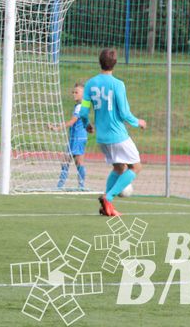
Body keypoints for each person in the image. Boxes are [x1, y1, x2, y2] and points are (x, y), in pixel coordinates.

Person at [79, 48, 147, 217]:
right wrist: (138, 122)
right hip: (117, 135)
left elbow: (83, 111)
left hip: (102, 137)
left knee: (119, 167)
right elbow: (124, 113)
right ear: (115, 63)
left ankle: (105, 205)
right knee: (136, 167)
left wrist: (86, 124)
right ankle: (108, 197)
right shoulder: (118, 84)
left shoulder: (90, 84)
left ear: (99, 62)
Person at [50, 81, 93, 190]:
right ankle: (65, 185)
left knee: (75, 161)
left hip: (78, 138)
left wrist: (57, 128)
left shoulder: (80, 107)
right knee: (67, 160)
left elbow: (72, 122)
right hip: (76, 137)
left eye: (76, 92)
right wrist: (88, 126)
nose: (74, 94)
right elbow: (84, 119)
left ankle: (77, 185)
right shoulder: (82, 105)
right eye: (73, 92)